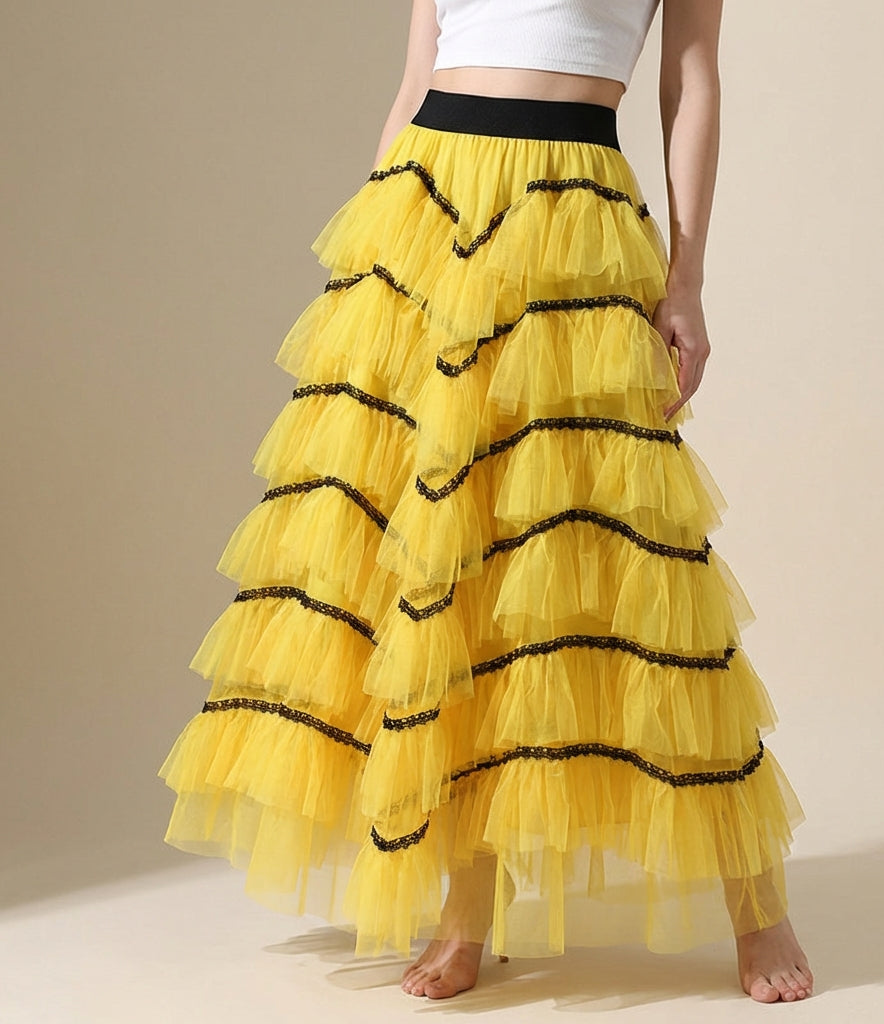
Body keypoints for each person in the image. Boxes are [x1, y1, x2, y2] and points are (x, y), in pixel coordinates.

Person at [158, 0, 814, 1006]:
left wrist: (685, 279)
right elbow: (416, 79)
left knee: (632, 556)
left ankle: (757, 905)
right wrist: (373, 268)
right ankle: (466, 906)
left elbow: (691, 80)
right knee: (449, 558)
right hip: (428, 206)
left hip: (571, 210)